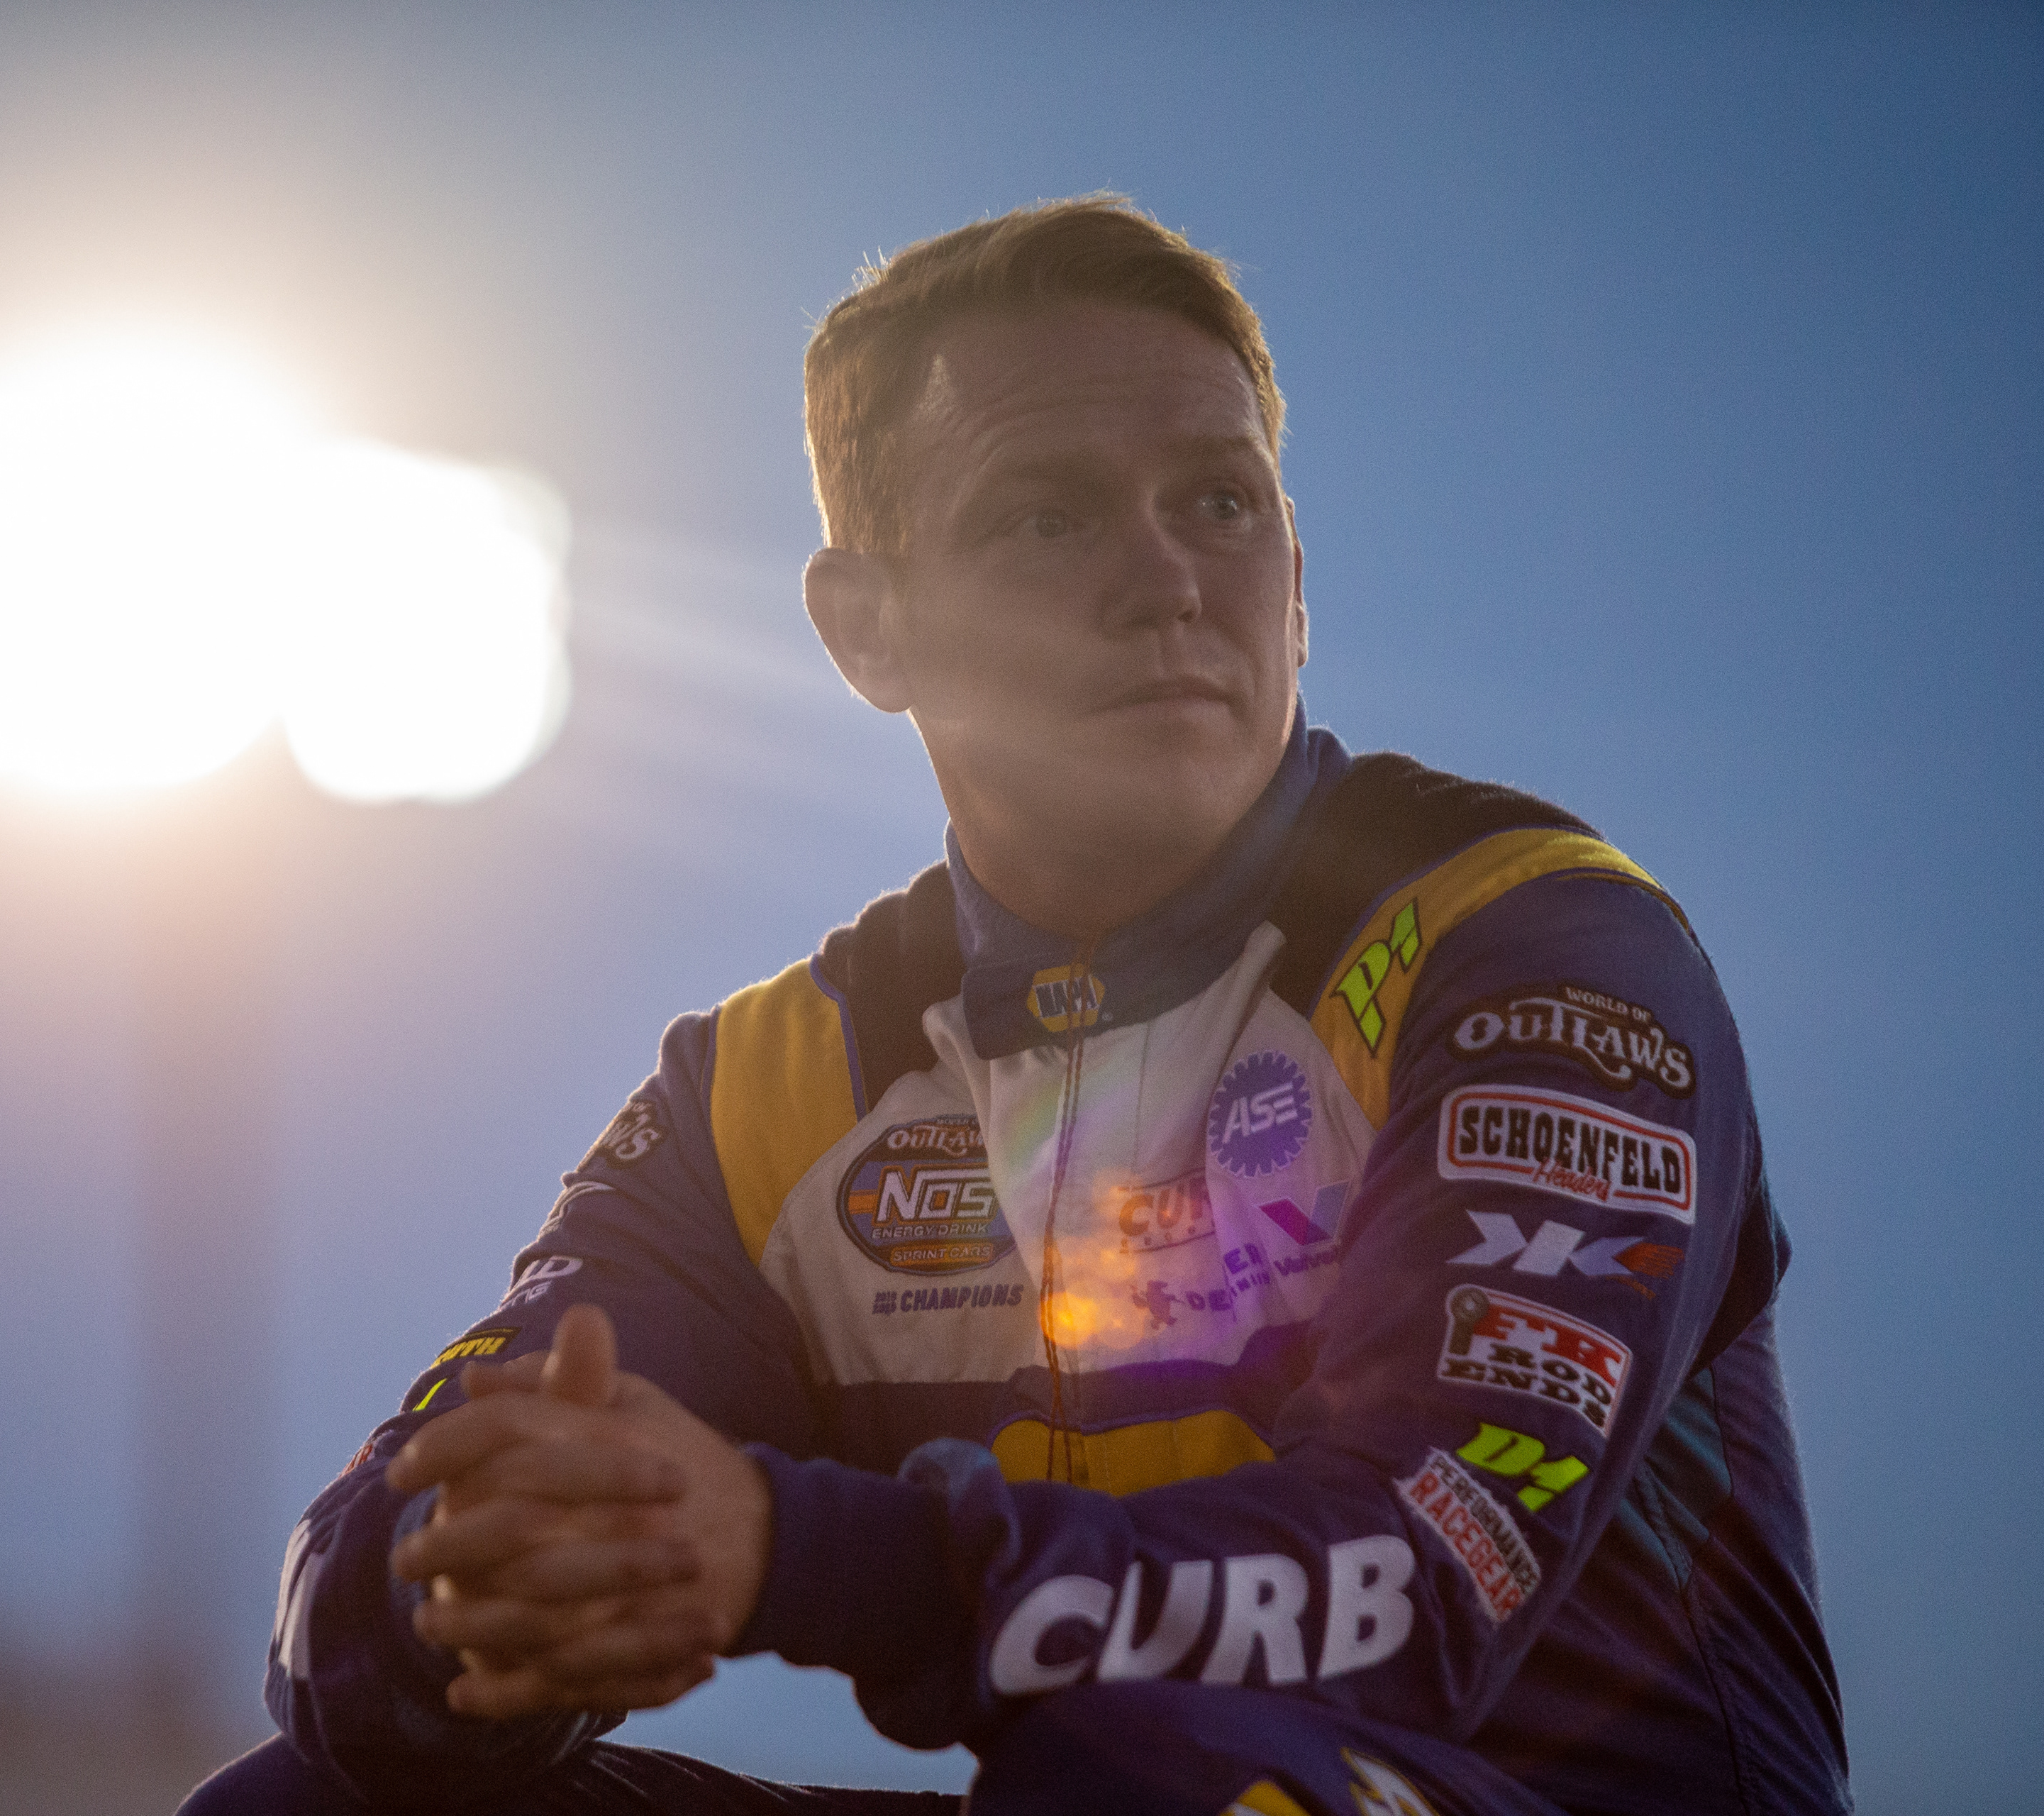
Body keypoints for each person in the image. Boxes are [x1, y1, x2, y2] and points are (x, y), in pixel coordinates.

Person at [184, 197, 1850, 1815]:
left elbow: (1414, 1585)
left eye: (1220, 502)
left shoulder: (1537, 949)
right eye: (1048, 515)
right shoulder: (771, 1088)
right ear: (866, 628)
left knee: (1138, 1770)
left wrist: (782, 1549)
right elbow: (354, 1589)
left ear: (1297, 573)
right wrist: (486, 1584)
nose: (1168, 580)